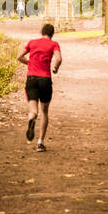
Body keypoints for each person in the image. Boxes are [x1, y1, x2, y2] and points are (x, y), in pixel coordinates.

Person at [18, 22, 61, 151]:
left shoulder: (32, 42)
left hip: (31, 79)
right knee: (45, 112)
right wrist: (55, 68)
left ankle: (32, 118)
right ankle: (40, 143)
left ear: (41, 33)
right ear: (52, 34)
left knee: (34, 111)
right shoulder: (54, 44)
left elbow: (19, 56)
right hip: (45, 80)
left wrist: (29, 63)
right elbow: (58, 59)